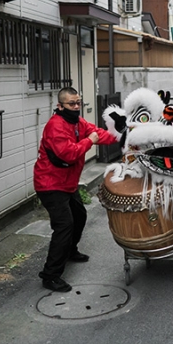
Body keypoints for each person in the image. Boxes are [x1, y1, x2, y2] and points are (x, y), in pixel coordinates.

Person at [33, 87, 117, 292]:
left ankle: (69, 250)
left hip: (68, 183)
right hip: (50, 184)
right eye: (72, 104)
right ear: (60, 106)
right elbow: (68, 154)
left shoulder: (78, 122)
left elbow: (99, 133)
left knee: (79, 216)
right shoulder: (55, 126)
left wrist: (123, 138)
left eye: (78, 102)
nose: (76, 107)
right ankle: (50, 275)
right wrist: (90, 141)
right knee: (64, 225)